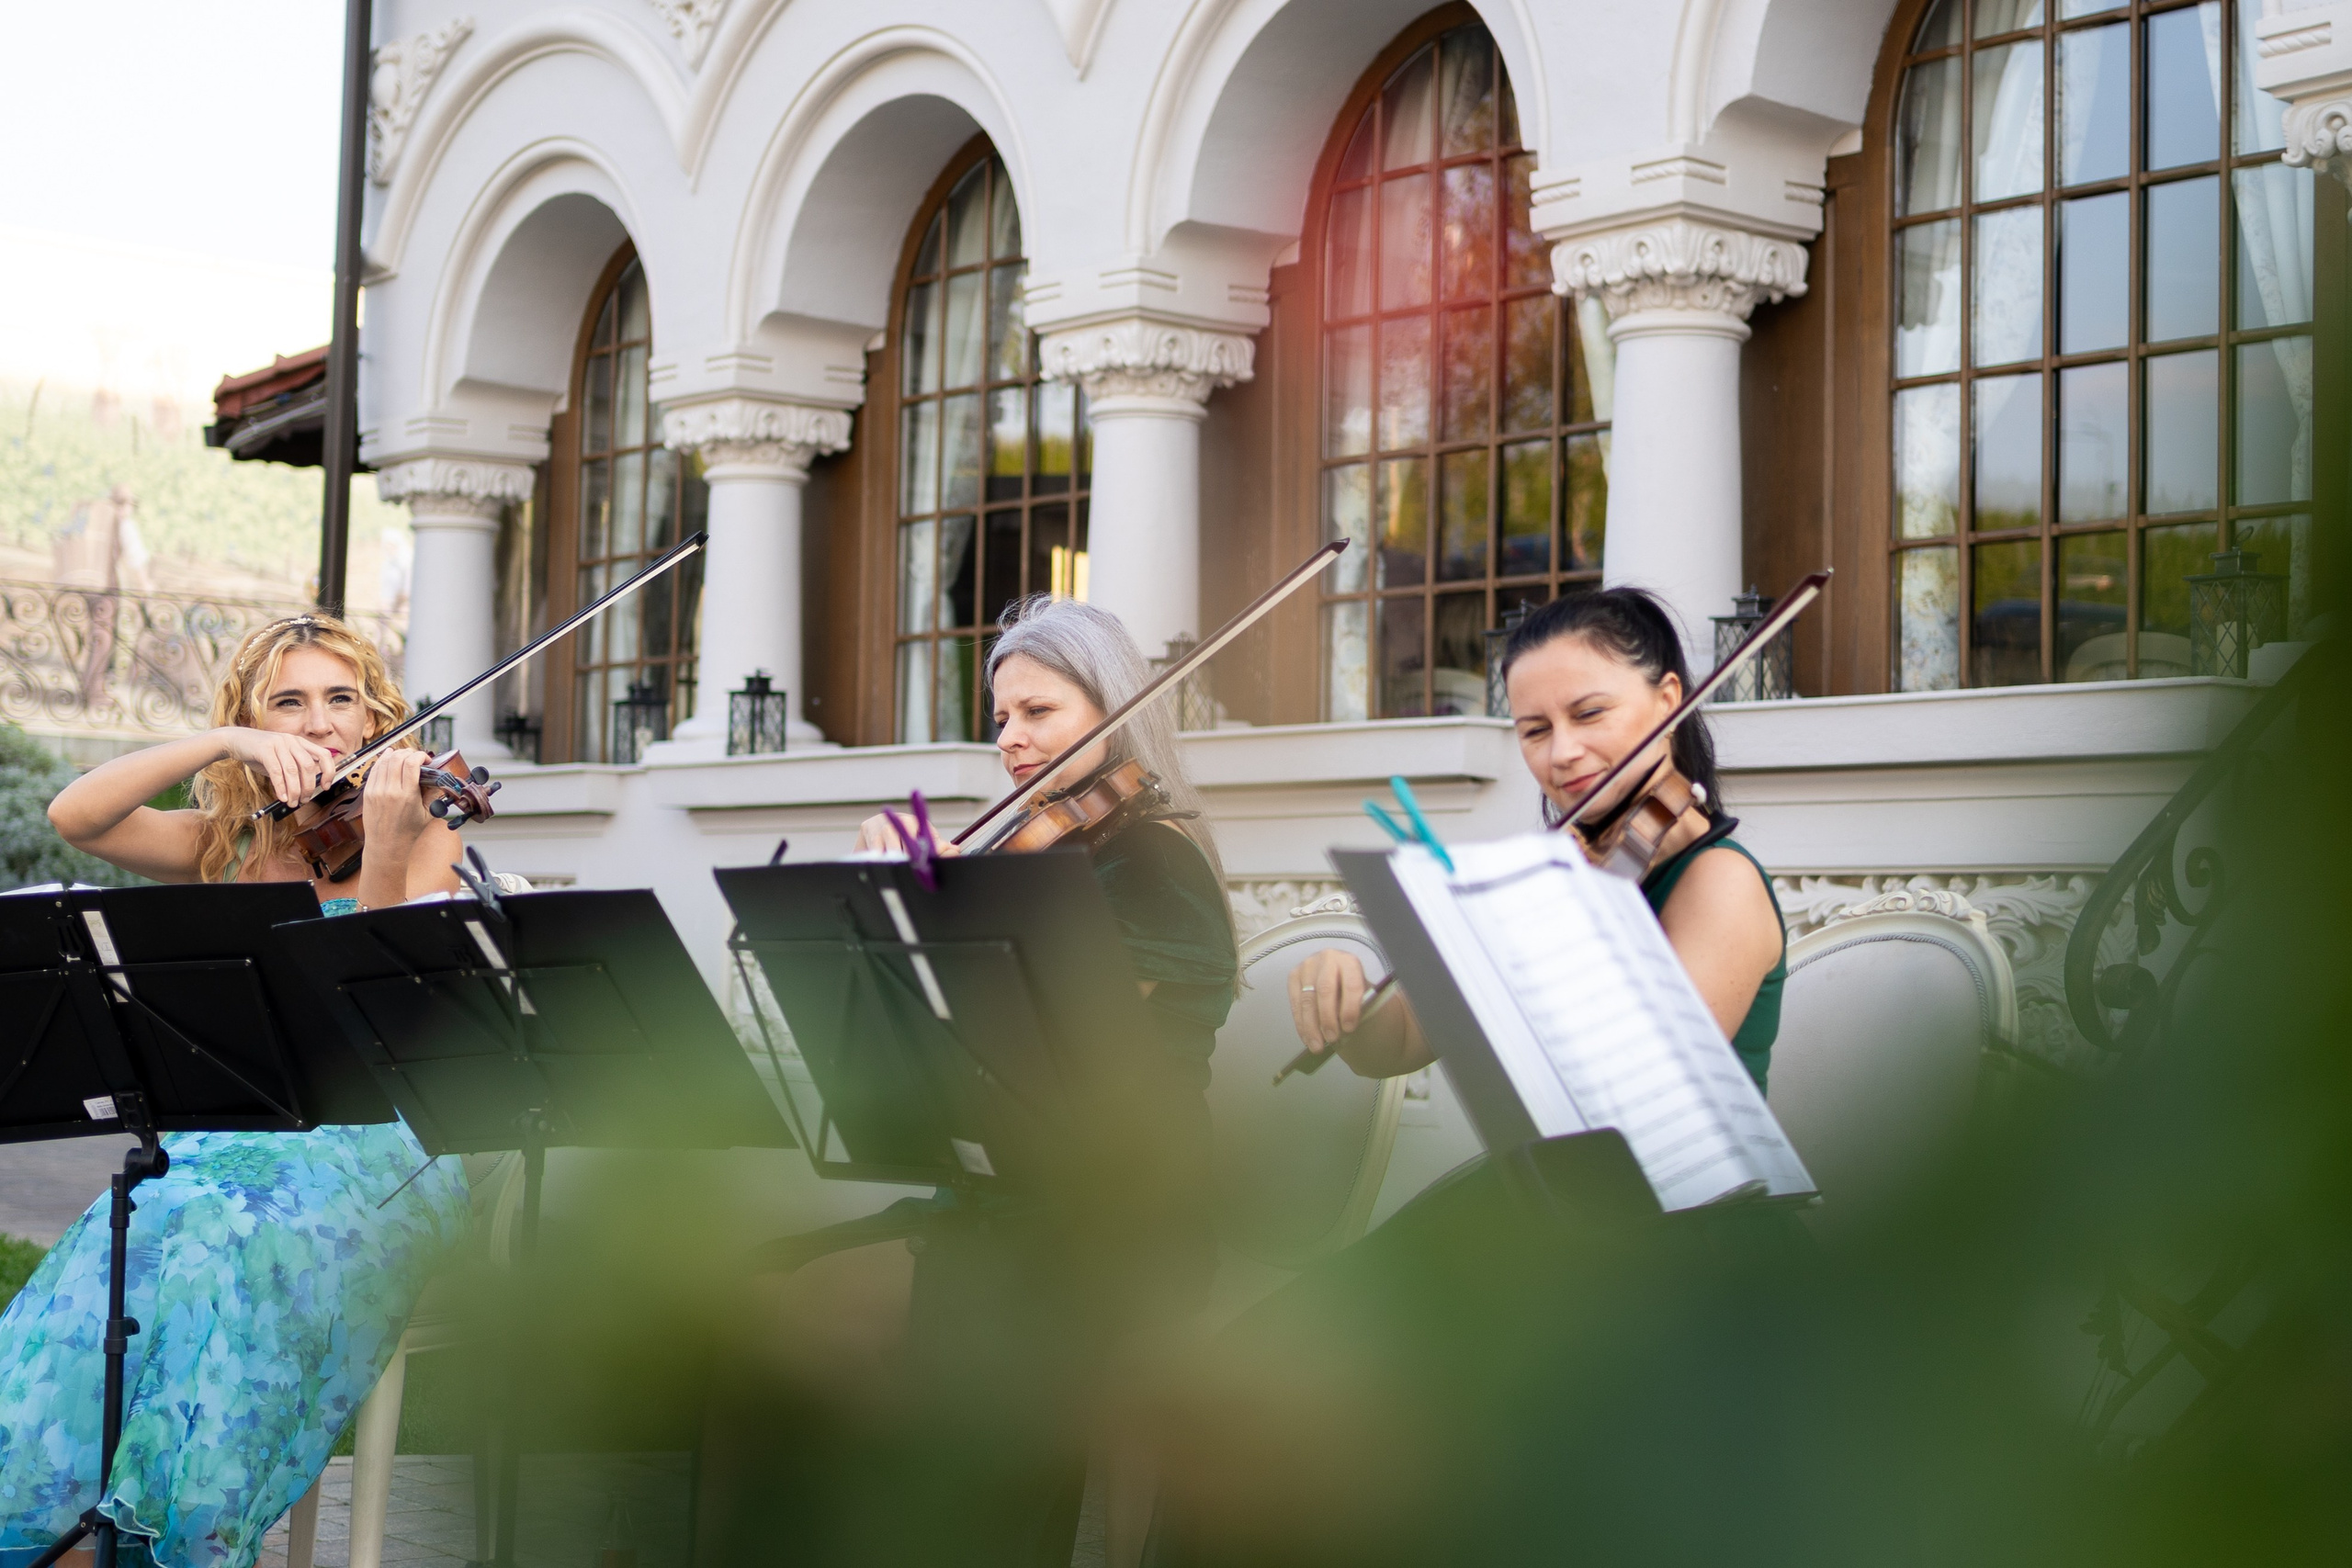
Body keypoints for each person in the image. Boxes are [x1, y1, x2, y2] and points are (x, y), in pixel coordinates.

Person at [702, 596, 1241, 1568]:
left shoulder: (1157, 861)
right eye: (1001, 718)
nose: (1012, 740)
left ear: (1114, 710)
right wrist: (890, 923)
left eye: (1040, 712)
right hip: (1009, 1200)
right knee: (762, 1295)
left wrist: (954, 920)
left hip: (1120, 1220)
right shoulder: (1041, 854)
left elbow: (1066, 1030)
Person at [0, 615, 471, 1568]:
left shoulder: (427, 836)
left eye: (341, 698)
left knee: (225, 1232)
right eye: (287, 702)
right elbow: (75, 818)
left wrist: (382, 844)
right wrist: (222, 743)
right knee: (134, 1220)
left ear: (378, 712)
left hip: (381, 1146)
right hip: (244, 1129)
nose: (321, 722)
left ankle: (183, 1538)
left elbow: (370, 1011)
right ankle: (68, 1526)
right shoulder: (226, 841)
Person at [1285, 587, 1787, 1091]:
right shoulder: (1563, 868)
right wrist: (1346, 998)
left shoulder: (1722, 880)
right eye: (1535, 730)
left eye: (1589, 713)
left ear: (1667, 701)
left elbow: (1648, 1083)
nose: (1562, 752)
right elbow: (1396, 1046)